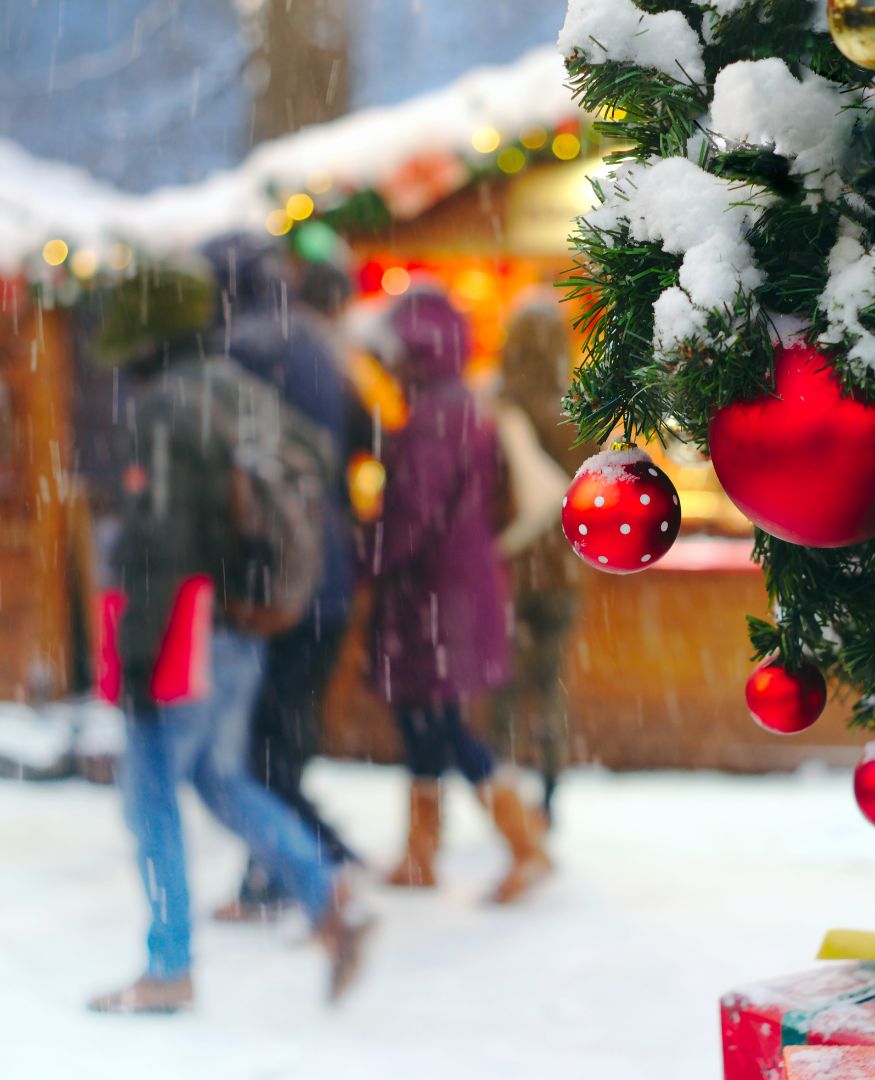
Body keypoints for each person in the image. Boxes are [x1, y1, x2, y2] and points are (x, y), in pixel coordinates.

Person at [87, 259, 369, 1014]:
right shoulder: (238, 389)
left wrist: (138, 658)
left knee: (149, 796)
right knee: (222, 779)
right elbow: (313, 458)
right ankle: (328, 897)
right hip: (245, 623)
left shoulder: (166, 408)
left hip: (183, 626)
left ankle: (168, 966)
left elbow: (158, 543)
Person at [202, 237, 369, 920]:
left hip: (274, 576)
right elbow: (363, 441)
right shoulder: (319, 347)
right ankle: (305, 861)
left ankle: (297, 870)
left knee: (259, 740)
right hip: (326, 565)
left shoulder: (239, 351)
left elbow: (228, 475)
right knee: (286, 731)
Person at [370, 285, 551, 904]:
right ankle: (422, 852)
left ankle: (524, 845)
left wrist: (363, 552)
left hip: (432, 599)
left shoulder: (432, 416)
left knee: (441, 726)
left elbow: (411, 517)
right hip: (453, 592)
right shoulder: (458, 405)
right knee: (425, 723)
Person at [489, 299, 589, 827]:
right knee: (549, 686)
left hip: (503, 567)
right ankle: (549, 792)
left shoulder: (497, 405)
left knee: (500, 688)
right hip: (561, 571)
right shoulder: (577, 410)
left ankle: (502, 796)